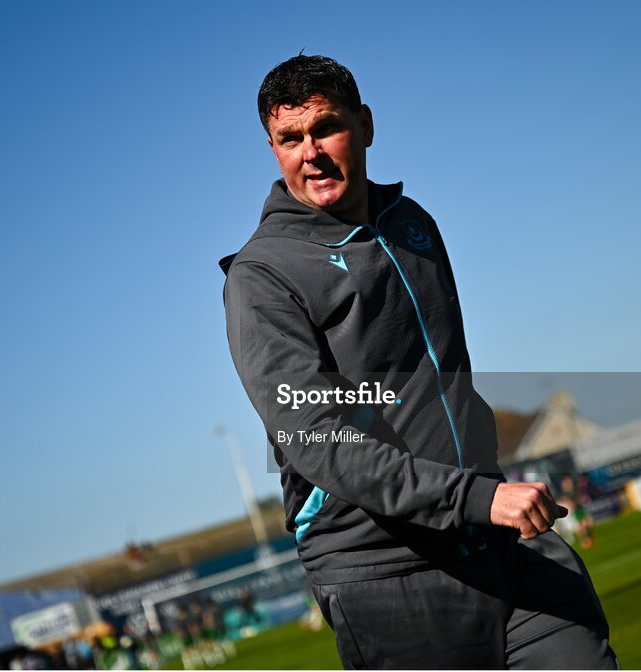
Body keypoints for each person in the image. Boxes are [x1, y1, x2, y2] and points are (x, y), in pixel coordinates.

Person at [220, 54, 617, 669]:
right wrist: (474, 497)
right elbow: (315, 438)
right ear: (272, 148)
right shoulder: (262, 276)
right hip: (383, 570)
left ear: (366, 125)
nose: (311, 153)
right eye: (289, 139)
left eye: (325, 127)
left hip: (497, 539)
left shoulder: (412, 224)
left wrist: (484, 494)